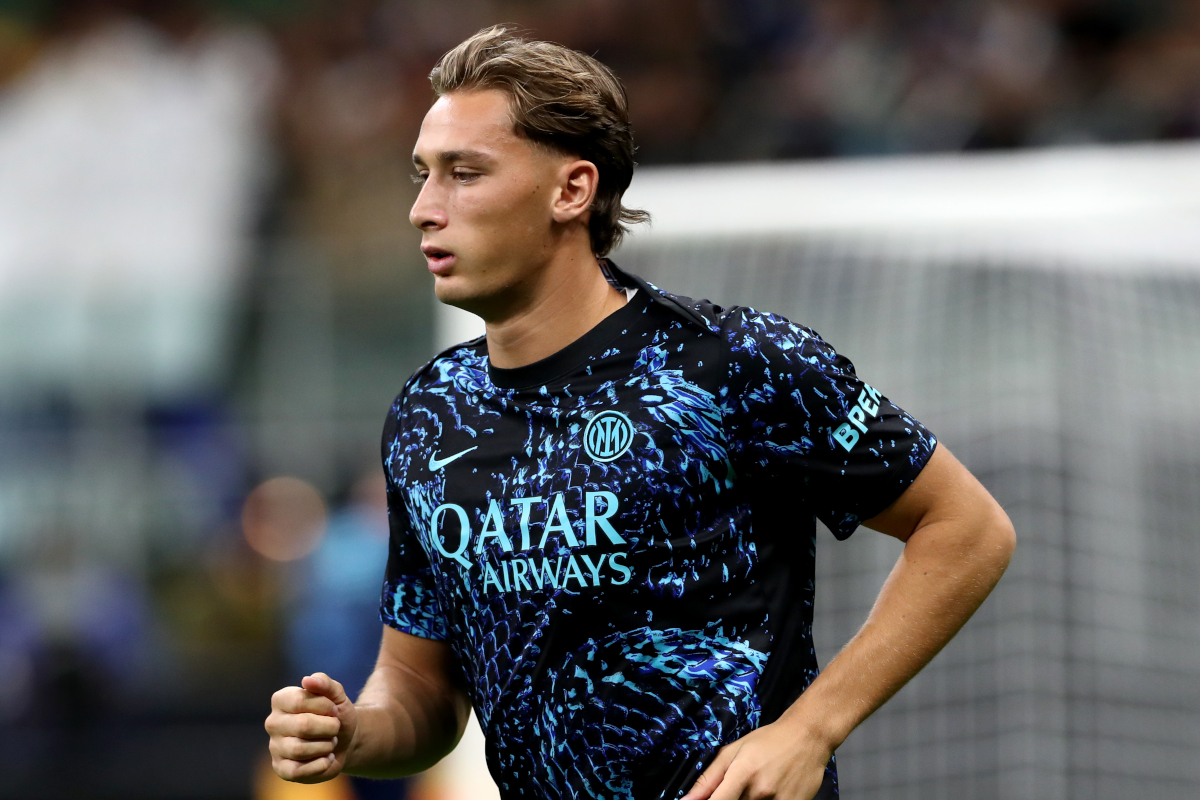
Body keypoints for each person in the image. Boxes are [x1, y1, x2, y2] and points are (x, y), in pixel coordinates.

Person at [265, 25, 1015, 800]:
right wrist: (355, 732)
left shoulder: (732, 362)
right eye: (422, 175)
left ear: (572, 190)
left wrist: (811, 728)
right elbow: (421, 691)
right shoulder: (430, 415)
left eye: (465, 173)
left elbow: (966, 526)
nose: (424, 208)